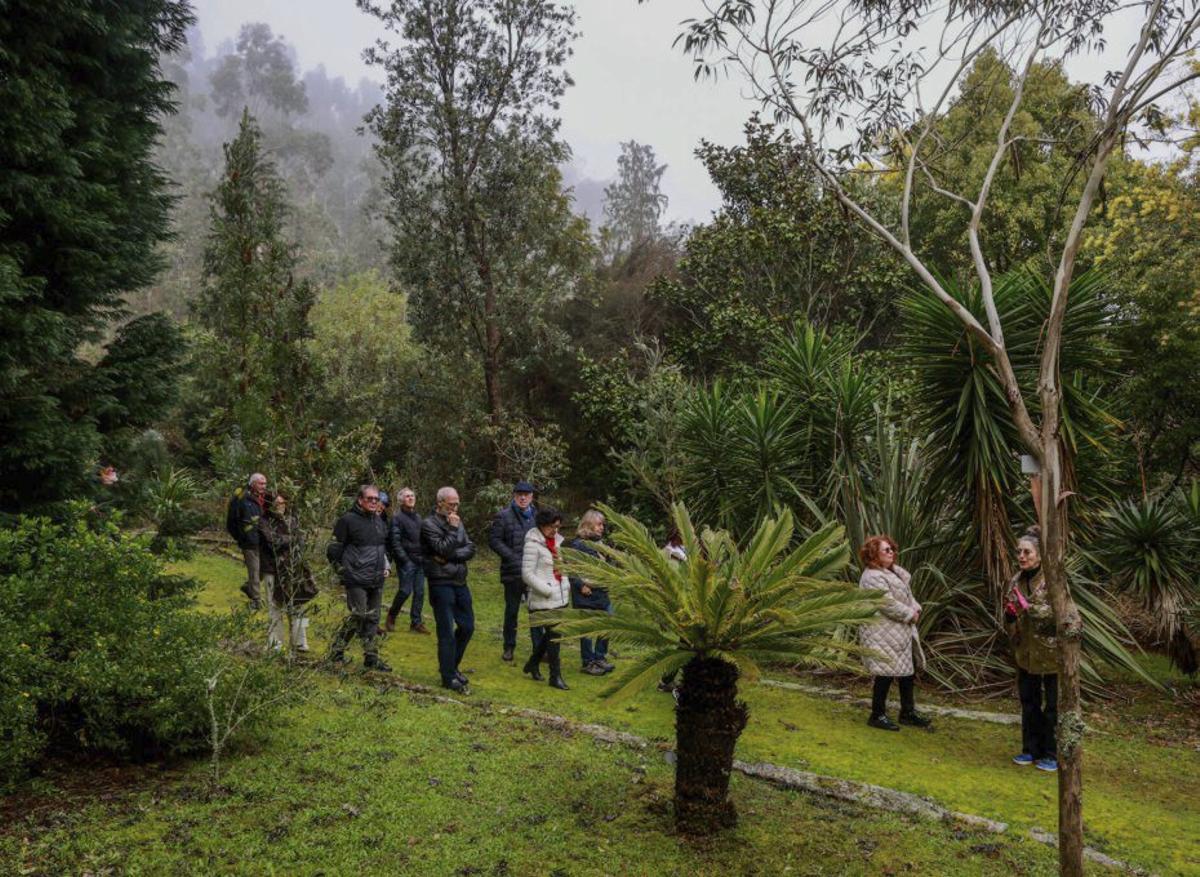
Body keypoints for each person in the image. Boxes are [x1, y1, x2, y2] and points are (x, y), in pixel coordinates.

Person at [858, 535, 931, 730]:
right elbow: (886, 603)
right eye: (886, 550)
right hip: (881, 632)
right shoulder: (872, 577)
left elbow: (906, 595)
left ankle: (907, 712)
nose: (892, 552)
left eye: (892, 549)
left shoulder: (892, 572)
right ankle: (877, 714)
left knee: (907, 673)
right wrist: (910, 614)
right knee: (885, 674)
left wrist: (915, 608)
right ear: (874, 554)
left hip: (897, 632)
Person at [1004, 525, 1058, 772]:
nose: (1022, 557)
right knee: (1029, 703)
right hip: (1025, 651)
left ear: (1039, 554)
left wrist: (1029, 608)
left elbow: (1061, 613)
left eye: (1027, 552)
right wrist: (1010, 615)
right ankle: (1030, 750)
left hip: (1051, 653)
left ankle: (1051, 753)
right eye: (1019, 552)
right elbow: (1011, 609)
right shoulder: (1016, 579)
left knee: (1052, 706)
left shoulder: (1053, 579)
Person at [326, 484, 392, 672]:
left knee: (373, 619)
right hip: (356, 578)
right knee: (358, 615)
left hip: (376, 578)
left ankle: (371, 658)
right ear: (360, 500)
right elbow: (333, 549)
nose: (373, 502)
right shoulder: (347, 520)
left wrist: (385, 567)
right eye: (369, 498)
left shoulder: (379, 521)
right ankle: (336, 650)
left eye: (376, 499)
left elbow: (382, 549)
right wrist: (342, 571)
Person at [422, 486, 477, 693]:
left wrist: (450, 555)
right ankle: (448, 677)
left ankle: (451, 667)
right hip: (440, 582)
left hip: (460, 580)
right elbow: (441, 548)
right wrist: (453, 531)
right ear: (440, 503)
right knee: (446, 631)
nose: (455, 507)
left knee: (468, 627)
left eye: (457, 503)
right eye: (451, 503)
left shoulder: (458, 520)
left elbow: (470, 548)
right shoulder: (428, 525)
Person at [259, 493, 318, 653]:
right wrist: (291, 539)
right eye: (277, 504)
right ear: (270, 505)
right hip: (272, 568)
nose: (281, 506)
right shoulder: (263, 521)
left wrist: (290, 539)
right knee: (274, 605)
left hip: (293, 567)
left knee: (297, 603)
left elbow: (300, 541)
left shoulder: (293, 520)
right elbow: (272, 541)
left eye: (283, 503)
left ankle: (300, 641)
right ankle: (275, 644)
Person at [488, 480, 538, 662]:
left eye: (526, 494)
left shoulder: (536, 517)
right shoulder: (503, 516)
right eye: (519, 494)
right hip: (512, 571)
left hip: (534, 572)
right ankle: (509, 646)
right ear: (514, 496)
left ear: (531, 497)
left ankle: (539, 649)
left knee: (536, 612)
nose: (523, 498)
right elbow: (494, 540)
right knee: (512, 611)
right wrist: (512, 557)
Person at [521, 508, 570, 690]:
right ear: (542, 525)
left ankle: (533, 663)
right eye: (552, 526)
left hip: (560, 596)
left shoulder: (556, 542)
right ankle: (555, 676)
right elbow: (526, 574)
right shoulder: (532, 544)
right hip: (542, 598)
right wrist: (547, 590)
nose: (555, 530)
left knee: (550, 635)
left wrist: (565, 585)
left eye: (558, 526)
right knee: (554, 637)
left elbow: (560, 567)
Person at [567, 510, 614, 676]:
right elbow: (571, 569)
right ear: (589, 524)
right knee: (587, 629)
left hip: (601, 591)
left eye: (603, 524)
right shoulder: (578, 544)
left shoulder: (601, 543)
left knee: (608, 623)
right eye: (599, 524)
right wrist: (580, 585)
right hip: (585, 593)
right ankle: (588, 662)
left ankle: (600, 657)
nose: (602, 527)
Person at [385, 487, 429, 634]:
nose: (411, 498)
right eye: (407, 496)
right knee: (405, 591)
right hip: (406, 561)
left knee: (420, 592)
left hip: (420, 561)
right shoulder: (397, 518)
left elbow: (423, 539)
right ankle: (391, 616)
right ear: (401, 500)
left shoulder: (418, 517)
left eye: (412, 496)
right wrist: (404, 560)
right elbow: (395, 542)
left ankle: (416, 623)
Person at [226, 473, 268, 610]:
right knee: (254, 571)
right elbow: (231, 522)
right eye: (261, 483)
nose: (264, 486)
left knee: (263, 569)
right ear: (253, 483)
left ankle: (248, 587)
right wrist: (242, 537)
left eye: (265, 483)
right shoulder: (241, 498)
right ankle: (256, 600)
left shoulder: (265, 498)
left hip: (264, 541)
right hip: (249, 541)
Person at [657, 527, 689, 695]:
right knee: (685, 644)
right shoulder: (666, 554)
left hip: (691, 603)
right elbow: (662, 580)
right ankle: (666, 680)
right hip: (677, 605)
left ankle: (669, 679)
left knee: (686, 644)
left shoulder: (687, 553)